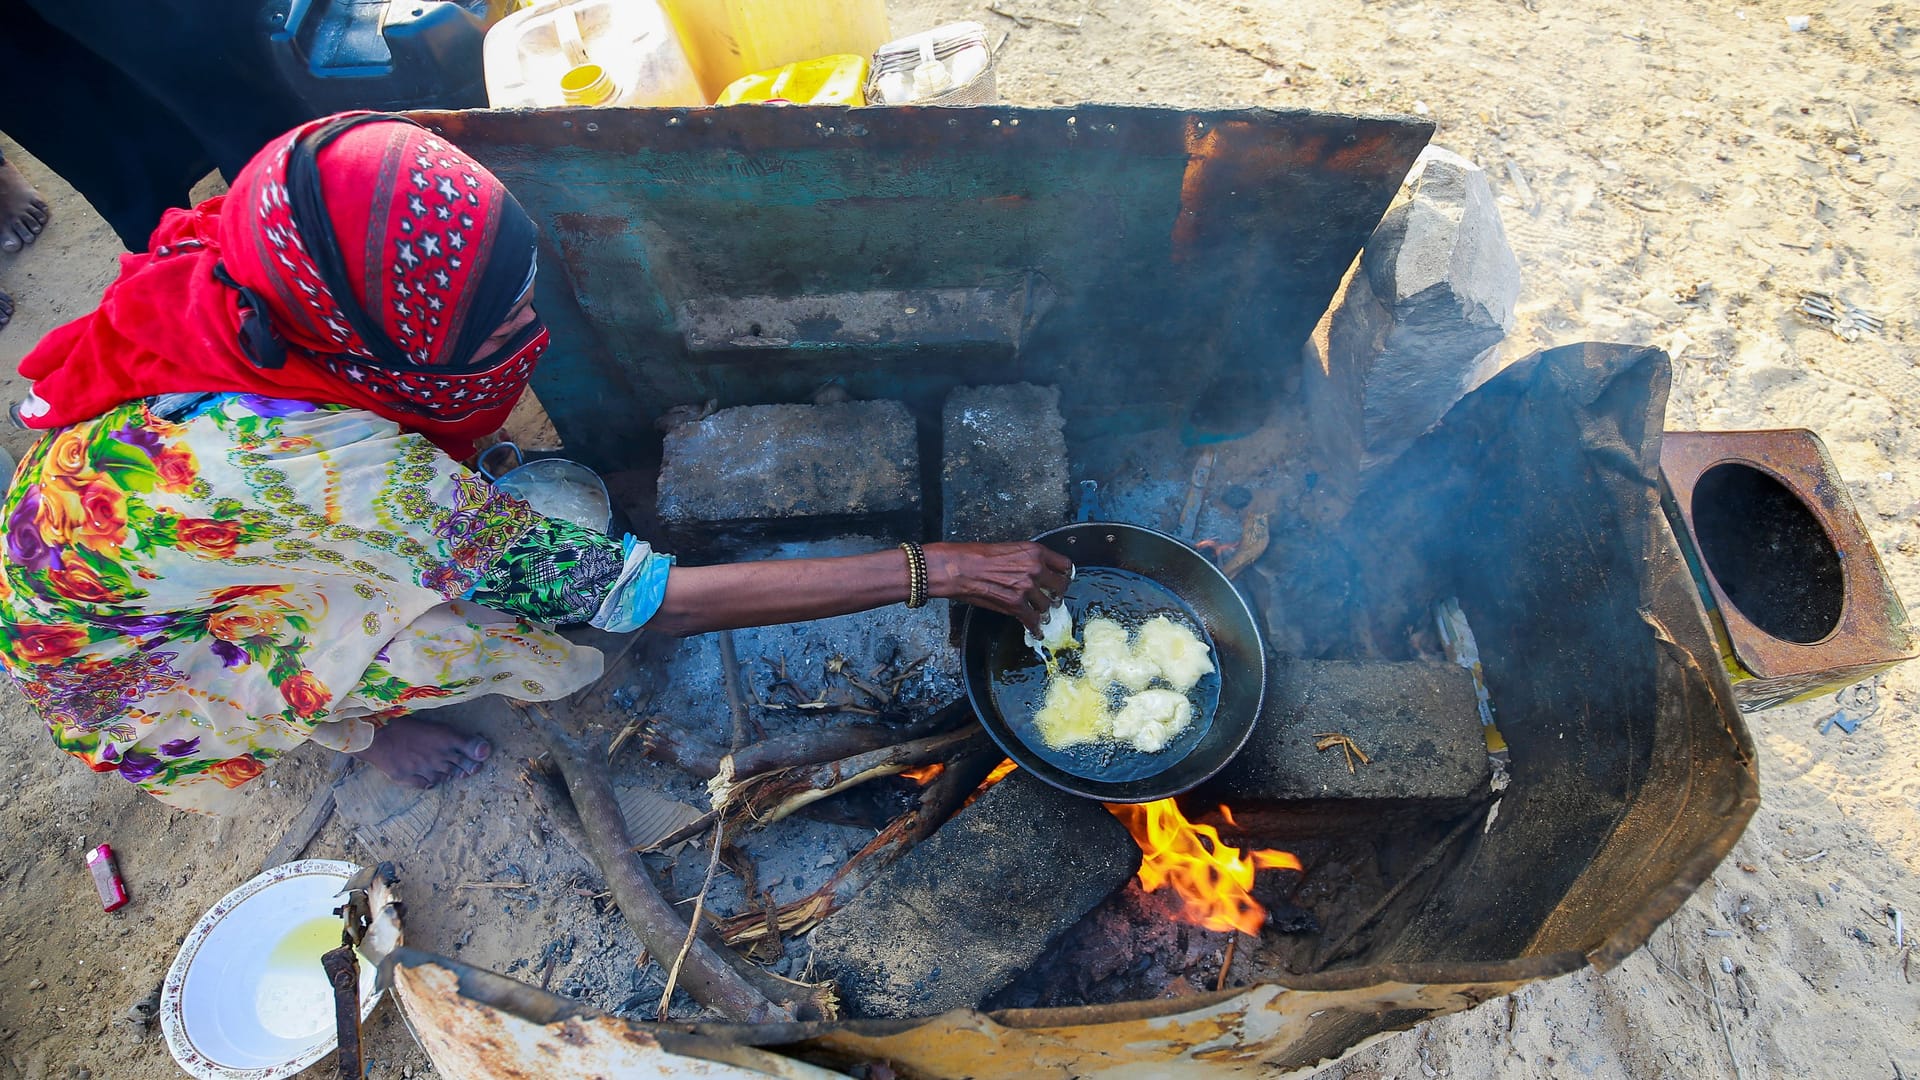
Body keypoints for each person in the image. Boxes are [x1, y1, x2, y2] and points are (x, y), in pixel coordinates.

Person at [0, 113, 1070, 813]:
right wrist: (944, 567)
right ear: (375, 333)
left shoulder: (264, 276)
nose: (525, 325)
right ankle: (355, 731)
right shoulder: (334, 471)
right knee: (518, 629)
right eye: (495, 314)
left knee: (533, 512)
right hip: (136, 654)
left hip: (193, 545)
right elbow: (640, 606)